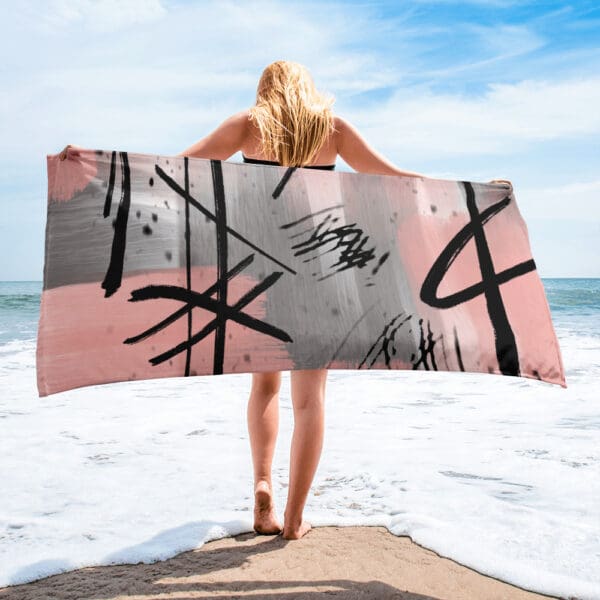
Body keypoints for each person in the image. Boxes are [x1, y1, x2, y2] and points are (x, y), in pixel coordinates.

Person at [58, 60, 511, 541]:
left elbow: (172, 169)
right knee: (311, 401)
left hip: (257, 274)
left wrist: (92, 167)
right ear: (307, 89)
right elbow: (400, 179)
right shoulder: (331, 129)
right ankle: (294, 520)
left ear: (265, 90)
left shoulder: (248, 126)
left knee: (265, 388)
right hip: (322, 276)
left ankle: (261, 485)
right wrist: (477, 193)